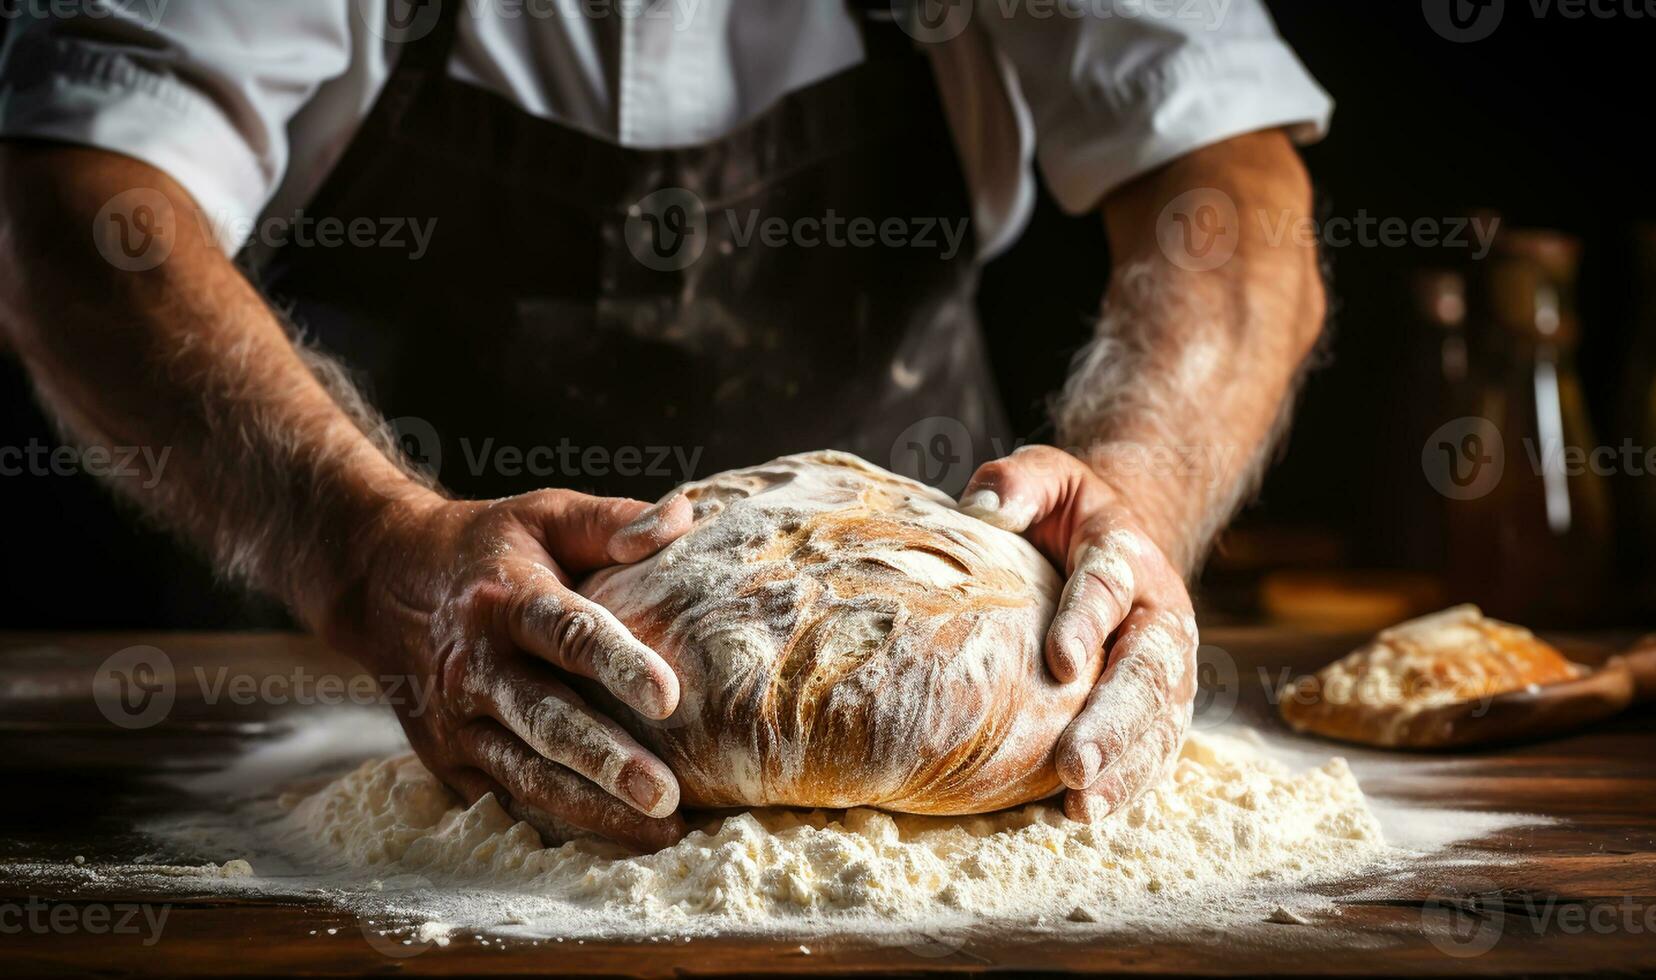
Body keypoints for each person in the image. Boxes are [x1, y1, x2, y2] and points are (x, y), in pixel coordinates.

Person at [0, 0, 1330, 850]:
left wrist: (1137, 495)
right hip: (370, 697)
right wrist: (362, 549)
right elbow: (69, 205)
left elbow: (1231, 182)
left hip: (951, 655)